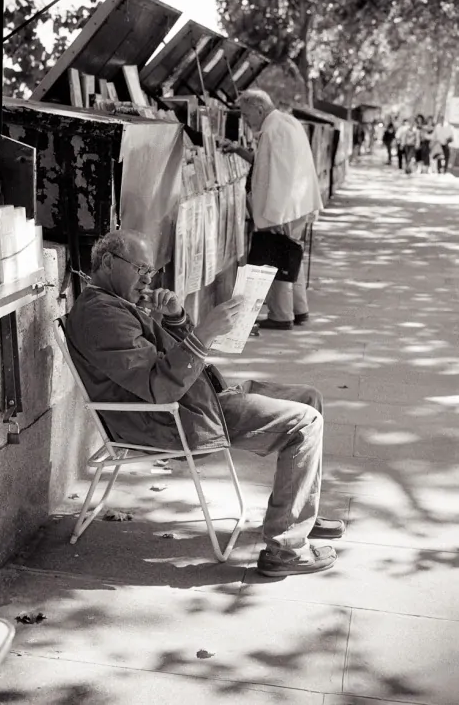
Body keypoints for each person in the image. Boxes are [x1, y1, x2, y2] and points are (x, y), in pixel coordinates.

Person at [66, 230, 344, 577]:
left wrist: (177, 317)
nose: (147, 280)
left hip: (197, 401)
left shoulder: (115, 304)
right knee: (305, 422)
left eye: (151, 272)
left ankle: (300, 511)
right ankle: (285, 549)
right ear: (107, 262)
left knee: (310, 397)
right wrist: (205, 333)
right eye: (140, 269)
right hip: (174, 419)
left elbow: (167, 361)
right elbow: (158, 387)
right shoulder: (101, 315)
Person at [237, 89, 323, 331]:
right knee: (291, 254)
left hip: (285, 208)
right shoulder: (286, 123)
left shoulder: (274, 131)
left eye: (246, 115)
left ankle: (281, 315)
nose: (245, 121)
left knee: (278, 257)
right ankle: (299, 309)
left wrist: (272, 215)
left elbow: (277, 178)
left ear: (259, 108)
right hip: (296, 205)